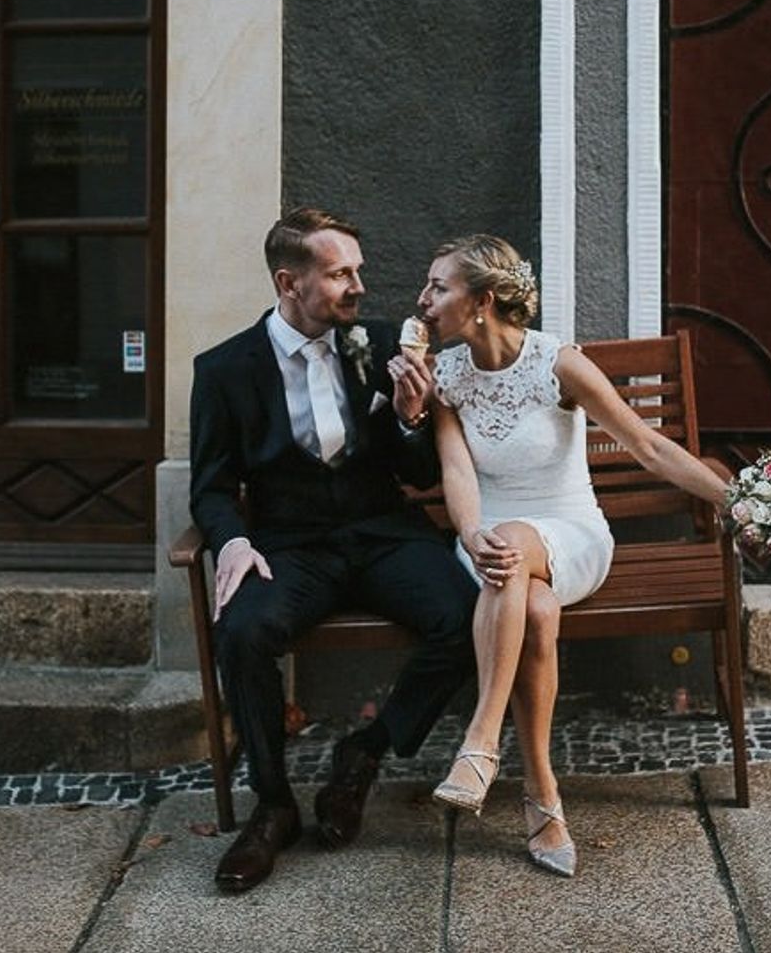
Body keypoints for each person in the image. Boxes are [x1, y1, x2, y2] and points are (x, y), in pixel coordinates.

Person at [412, 234, 728, 878]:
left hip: (571, 531)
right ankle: (543, 796)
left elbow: (648, 448)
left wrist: (737, 499)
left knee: (514, 550)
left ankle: (480, 740)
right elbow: (457, 475)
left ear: (484, 301)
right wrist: (470, 535)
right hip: (487, 539)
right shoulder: (444, 376)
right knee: (532, 606)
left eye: (439, 287)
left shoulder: (557, 362)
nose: (423, 300)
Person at [188, 208, 478, 893]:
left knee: (468, 614)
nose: (357, 286)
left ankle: (364, 754)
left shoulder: (379, 343)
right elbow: (209, 486)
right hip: (291, 547)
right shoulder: (225, 369)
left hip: (383, 533)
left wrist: (410, 418)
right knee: (242, 631)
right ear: (289, 282)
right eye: (339, 273)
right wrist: (230, 541)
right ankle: (274, 804)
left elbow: (420, 475)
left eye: (358, 271)